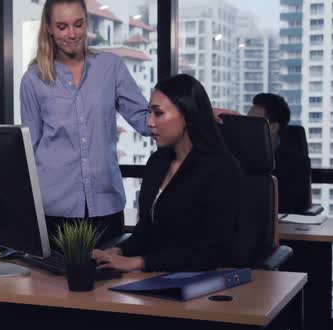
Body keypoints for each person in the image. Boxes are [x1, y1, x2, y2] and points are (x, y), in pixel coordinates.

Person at [20, 0, 150, 244]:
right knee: (52, 283)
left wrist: (191, 113)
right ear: (48, 28)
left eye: (78, 24)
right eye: (62, 26)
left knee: (108, 280)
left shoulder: (111, 67)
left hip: (105, 206)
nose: (72, 34)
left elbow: (143, 120)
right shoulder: (33, 79)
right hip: (54, 209)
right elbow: (31, 149)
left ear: (87, 23)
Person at [93, 74, 242, 272]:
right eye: (149, 113)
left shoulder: (220, 169)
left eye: (158, 113)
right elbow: (146, 231)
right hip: (155, 277)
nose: (149, 122)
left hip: (200, 285)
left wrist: (140, 262)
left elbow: (210, 254)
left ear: (188, 116)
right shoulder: (157, 162)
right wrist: (118, 251)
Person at [248, 93, 311, 213]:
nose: (246, 127)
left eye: (253, 122)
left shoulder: (297, 164)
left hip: (278, 226)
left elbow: (291, 208)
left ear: (273, 127)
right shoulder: (234, 156)